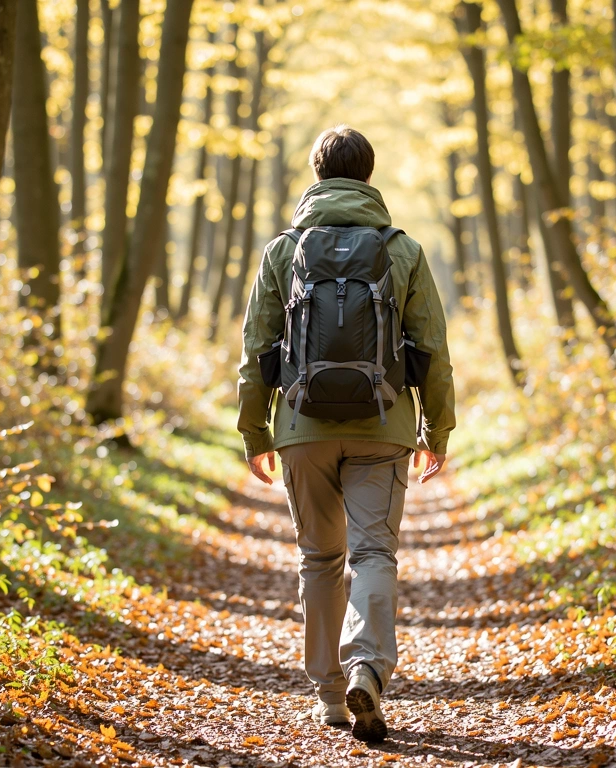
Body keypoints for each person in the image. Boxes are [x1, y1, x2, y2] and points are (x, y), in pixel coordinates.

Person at [236, 125, 455, 743]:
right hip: (384, 426)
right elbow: (432, 347)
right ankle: (367, 666)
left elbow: (256, 348)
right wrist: (438, 427)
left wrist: (255, 430)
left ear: (316, 173)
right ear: (369, 174)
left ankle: (332, 696)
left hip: (302, 427)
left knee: (320, 558)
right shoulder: (401, 249)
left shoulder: (284, 249)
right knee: (373, 554)